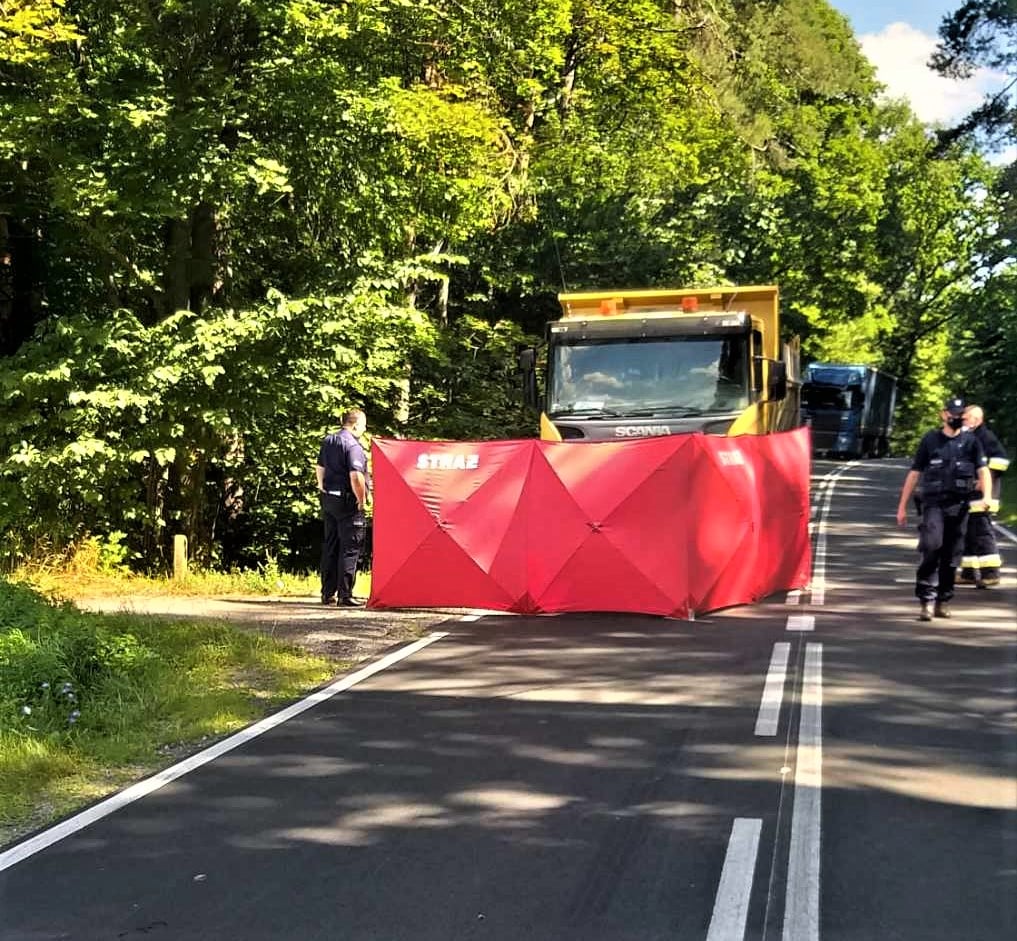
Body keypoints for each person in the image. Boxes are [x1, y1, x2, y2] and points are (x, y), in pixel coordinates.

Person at [896, 396, 992, 621]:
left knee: (951, 557)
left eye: (960, 415)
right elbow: (914, 473)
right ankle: (926, 600)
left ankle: (943, 600)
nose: (956, 418)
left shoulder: (971, 442)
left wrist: (986, 495)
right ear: (943, 415)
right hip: (934, 504)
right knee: (931, 547)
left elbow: (983, 470)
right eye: (952, 414)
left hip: (959, 506)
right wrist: (902, 506)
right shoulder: (931, 440)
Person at [316, 409, 369, 607]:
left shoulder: (329, 440)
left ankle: (327, 593)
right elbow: (356, 476)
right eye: (363, 425)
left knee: (330, 545)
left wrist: (322, 487)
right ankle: (345, 595)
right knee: (350, 547)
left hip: (329, 498)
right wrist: (361, 500)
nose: (364, 429)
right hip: (348, 501)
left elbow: (320, 467)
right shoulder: (353, 446)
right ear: (355, 424)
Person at [959, 405, 1010, 587]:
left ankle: (991, 573)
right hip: (971, 495)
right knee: (969, 534)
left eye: (965, 417)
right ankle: (969, 573)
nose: (962, 420)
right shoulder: (969, 437)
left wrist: (987, 477)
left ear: (976, 420)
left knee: (982, 534)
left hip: (984, 496)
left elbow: (1001, 460)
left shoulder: (985, 437)